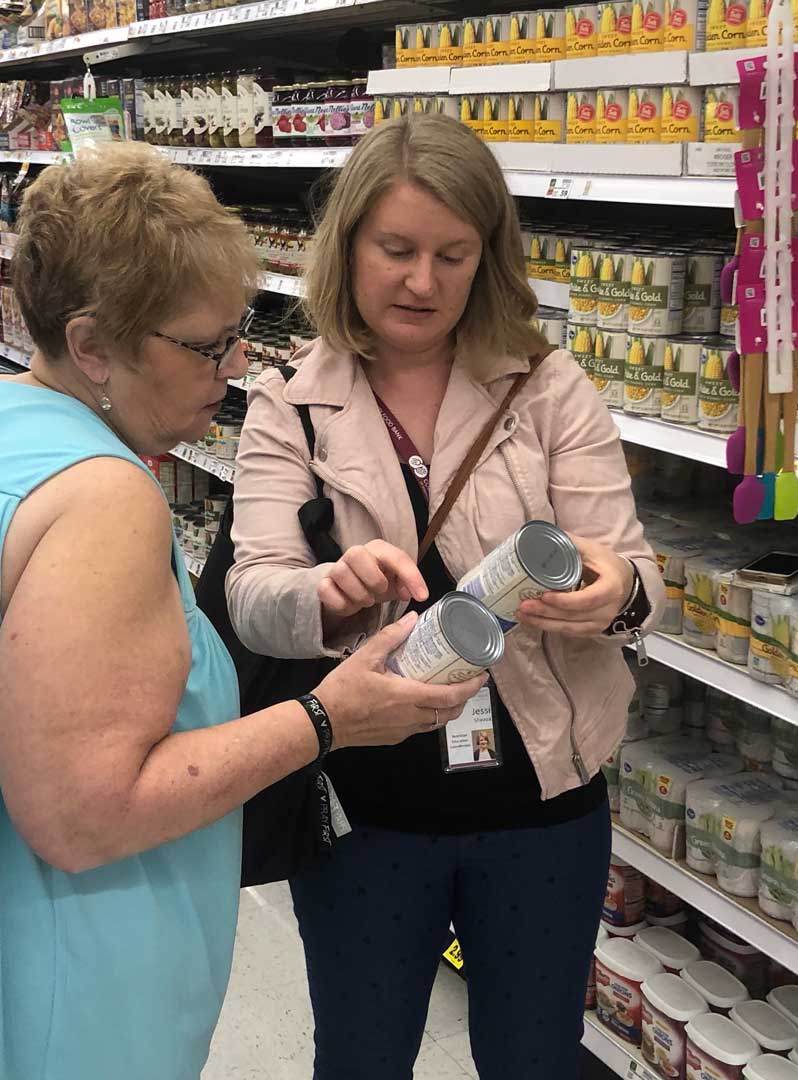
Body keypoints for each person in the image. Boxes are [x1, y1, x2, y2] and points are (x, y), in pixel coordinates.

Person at [0, 143, 483, 1080]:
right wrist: (329, 717)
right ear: (92, 345)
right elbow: (86, 817)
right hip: (20, 994)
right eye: (205, 344)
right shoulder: (102, 496)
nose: (232, 368)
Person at [225, 113, 662, 1080]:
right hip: (363, 811)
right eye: (397, 250)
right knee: (362, 1057)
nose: (423, 281)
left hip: (542, 805)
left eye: (452, 254)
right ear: (348, 248)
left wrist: (615, 593)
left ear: (487, 259)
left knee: (535, 1058)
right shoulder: (288, 400)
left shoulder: (549, 391)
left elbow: (635, 569)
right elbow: (251, 593)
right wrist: (328, 593)